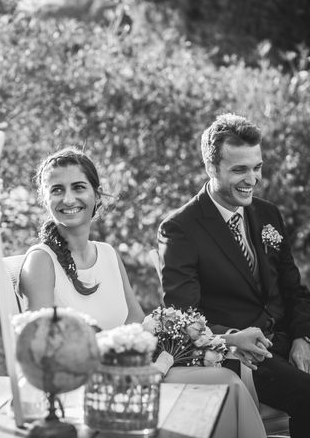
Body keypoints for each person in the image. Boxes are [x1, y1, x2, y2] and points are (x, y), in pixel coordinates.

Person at [20, 147, 266, 438]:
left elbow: (140, 329)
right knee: (225, 383)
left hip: (129, 373)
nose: (69, 198)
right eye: (57, 189)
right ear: (45, 198)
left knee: (227, 383)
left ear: (96, 196)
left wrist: (225, 340)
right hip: (86, 389)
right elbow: (42, 351)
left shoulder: (108, 254)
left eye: (78, 187)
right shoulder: (40, 260)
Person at [158, 113, 310, 437]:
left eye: (257, 167)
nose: (252, 179)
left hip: (286, 339)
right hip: (241, 355)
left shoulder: (268, 213)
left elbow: (293, 287)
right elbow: (183, 316)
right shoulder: (179, 230)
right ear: (211, 168)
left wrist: (302, 337)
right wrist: (230, 338)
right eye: (239, 169)